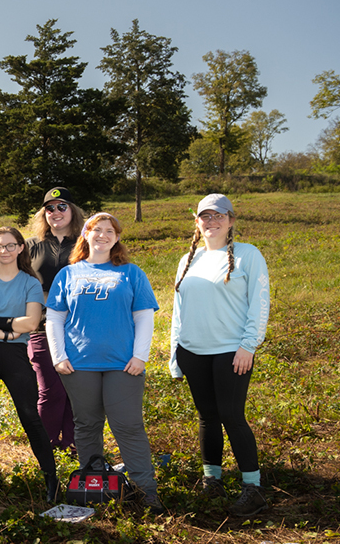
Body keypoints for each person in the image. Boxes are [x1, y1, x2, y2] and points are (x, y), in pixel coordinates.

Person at [45, 213, 164, 513]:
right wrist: (58, 356)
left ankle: (146, 490)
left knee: (128, 425)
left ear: (117, 237)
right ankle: (93, 486)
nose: (102, 235)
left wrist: (140, 356)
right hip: (79, 363)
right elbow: (54, 318)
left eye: (109, 231)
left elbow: (144, 316)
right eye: (96, 230)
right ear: (85, 234)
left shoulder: (131, 273)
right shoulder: (68, 274)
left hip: (123, 364)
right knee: (86, 425)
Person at [170, 194, 271, 517]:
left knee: (231, 415)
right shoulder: (188, 260)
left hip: (231, 352)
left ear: (230, 220)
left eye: (219, 216)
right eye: (205, 217)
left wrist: (248, 345)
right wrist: (176, 355)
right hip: (193, 352)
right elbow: (178, 312)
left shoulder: (247, 255)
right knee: (207, 416)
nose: (211, 222)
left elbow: (260, 302)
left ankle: (252, 488)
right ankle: (211, 479)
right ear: (197, 222)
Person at [0, 228, 58, 499]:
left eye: (9, 246)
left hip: (16, 356)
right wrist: (7, 330)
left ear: (20, 248)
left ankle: (51, 479)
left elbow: (31, 322)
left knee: (30, 414)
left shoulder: (30, 283)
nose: (3, 251)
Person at [25, 188, 85, 454]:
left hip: (80, 328)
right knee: (50, 390)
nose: (55, 213)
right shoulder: (31, 246)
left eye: (62, 206)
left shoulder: (87, 243)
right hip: (42, 327)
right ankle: (45, 448)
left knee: (76, 390)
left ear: (73, 210)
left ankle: (74, 445)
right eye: (49, 208)